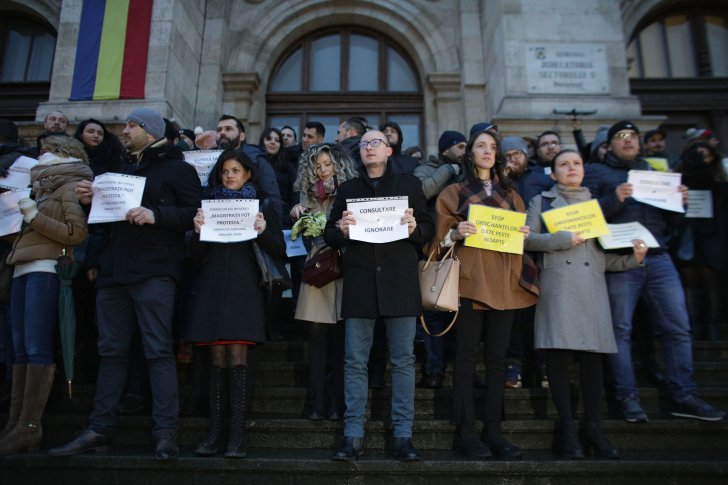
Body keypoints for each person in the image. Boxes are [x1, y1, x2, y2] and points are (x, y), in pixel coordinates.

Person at [48, 108, 202, 460]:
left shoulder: (179, 169)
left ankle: (166, 433)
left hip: (155, 273)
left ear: (150, 131)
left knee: (158, 352)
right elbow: (103, 224)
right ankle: (99, 429)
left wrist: (156, 215)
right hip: (114, 275)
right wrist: (90, 202)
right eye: (126, 125)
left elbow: (195, 216)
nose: (125, 129)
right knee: (111, 354)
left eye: (132, 125)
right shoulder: (119, 171)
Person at [582, 120, 725, 423]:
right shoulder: (597, 173)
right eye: (621, 136)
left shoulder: (655, 175)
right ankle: (626, 396)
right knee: (621, 330)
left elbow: (672, 224)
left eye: (632, 136)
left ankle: (683, 394)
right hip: (621, 259)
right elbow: (584, 217)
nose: (628, 141)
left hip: (659, 257)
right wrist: (614, 199)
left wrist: (680, 204)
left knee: (678, 327)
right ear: (611, 144)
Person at [525, 149, 647, 459]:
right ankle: (568, 430)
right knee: (559, 359)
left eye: (576, 163)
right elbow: (525, 240)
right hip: (559, 288)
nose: (571, 168)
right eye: (563, 164)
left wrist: (633, 259)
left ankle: (594, 427)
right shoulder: (542, 201)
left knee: (593, 362)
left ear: (583, 170)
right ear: (553, 174)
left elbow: (601, 257)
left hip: (592, 290)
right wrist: (563, 239)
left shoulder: (596, 205)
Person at [325, 129, 433, 462]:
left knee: (403, 362)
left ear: (388, 150)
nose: (369, 148)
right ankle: (352, 436)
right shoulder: (348, 190)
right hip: (359, 285)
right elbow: (330, 234)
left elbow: (428, 232)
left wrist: (416, 230)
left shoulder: (410, 186)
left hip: (400, 285)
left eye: (375, 143)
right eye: (364, 145)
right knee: (354, 363)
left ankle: (403, 437)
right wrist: (340, 231)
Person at [434, 129, 538, 459]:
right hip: (469, 281)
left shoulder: (513, 194)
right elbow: (437, 236)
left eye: (493, 147)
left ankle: (494, 431)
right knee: (465, 360)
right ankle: (465, 433)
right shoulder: (453, 191)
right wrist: (455, 231)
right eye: (481, 146)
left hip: (505, 283)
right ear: (470, 153)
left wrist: (524, 233)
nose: (488, 151)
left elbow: (521, 239)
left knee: (497, 361)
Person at [186, 149, 284, 458]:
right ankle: (215, 432)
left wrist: (263, 230)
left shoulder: (262, 206)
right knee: (216, 361)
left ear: (248, 175)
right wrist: (198, 232)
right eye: (225, 171)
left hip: (244, 291)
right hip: (212, 290)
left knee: (239, 360)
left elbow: (280, 250)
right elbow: (192, 257)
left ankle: (237, 435)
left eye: (236, 170)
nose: (230, 175)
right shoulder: (207, 206)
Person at [0, 135, 93, 454]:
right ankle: (15, 424)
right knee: (19, 350)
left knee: (36, 346)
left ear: (64, 155)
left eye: (48, 150)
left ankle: (29, 426)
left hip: (47, 270)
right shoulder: (39, 189)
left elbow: (76, 233)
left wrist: (33, 216)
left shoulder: (70, 186)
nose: (40, 153)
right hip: (24, 269)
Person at [291, 144, 356, 420]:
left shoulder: (352, 192)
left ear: (339, 165)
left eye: (328, 164)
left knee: (342, 342)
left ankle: (338, 403)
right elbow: (303, 233)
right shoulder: (307, 195)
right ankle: (317, 401)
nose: (323, 170)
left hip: (346, 267)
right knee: (317, 341)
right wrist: (297, 213)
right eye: (317, 166)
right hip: (319, 268)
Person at [673, 141, 727, 341]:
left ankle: (710, 324)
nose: (701, 159)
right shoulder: (680, 181)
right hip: (686, 237)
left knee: (709, 281)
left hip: (712, 238)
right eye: (697, 155)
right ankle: (693, 323)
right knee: (689, 280)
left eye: (706, 156)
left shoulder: (718, 183)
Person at [258, 127, 298, 228]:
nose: (273, 142)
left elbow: (294, 192)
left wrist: (295, 209)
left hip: (283, 216)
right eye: (269, 139)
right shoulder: (253, 163)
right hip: (258, 215)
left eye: (277, 140)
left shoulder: (288, 166)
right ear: (262, 141)